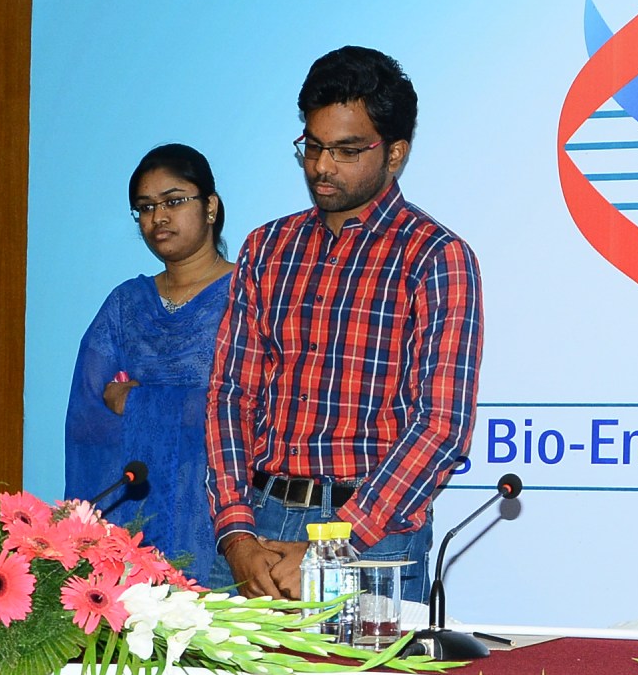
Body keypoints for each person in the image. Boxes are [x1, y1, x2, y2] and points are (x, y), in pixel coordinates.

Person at [206, 45, 482, 602]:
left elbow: (440, 425)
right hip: (258, 531)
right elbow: (231, 393)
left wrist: (334, 543)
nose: (322, 166)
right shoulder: (268, 247)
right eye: (312, 146)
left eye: (346, 150)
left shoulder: (435, 256)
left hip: (371, 538)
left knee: (363, 671)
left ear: (395, 153)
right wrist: (235, 531)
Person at [66, 145, 235, 584]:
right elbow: (88, 417)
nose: (158, 217)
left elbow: (249, 406)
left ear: (210, 206)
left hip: (222, 513)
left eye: (173, 201)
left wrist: (140, 402)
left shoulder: (247, 296)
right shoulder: (126, 304)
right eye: (145, 207)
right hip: (132, 516)